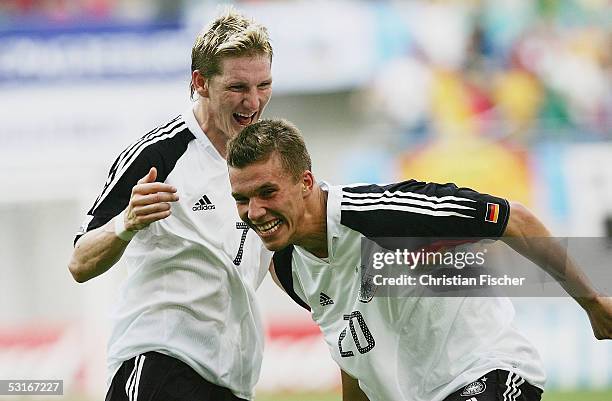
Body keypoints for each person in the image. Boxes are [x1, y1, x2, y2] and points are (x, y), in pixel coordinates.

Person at [226, 118, 612, 401]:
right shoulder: (287, 268)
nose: (254, 211)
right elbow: (352, 351)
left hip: (485, 370)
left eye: (267, 192)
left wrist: (591, 302)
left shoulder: (385, 213)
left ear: (306, 182)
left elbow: (516, 220)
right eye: (242, 199)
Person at [68, 8, 274, 401]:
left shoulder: (261, 161)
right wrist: (126, 222)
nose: (253, 101)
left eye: (263, 85)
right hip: (159, 366)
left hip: (230, 382)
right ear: (200, 82)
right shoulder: (159, 156)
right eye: (237, 88)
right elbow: (79, 262)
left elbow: (281, 258)